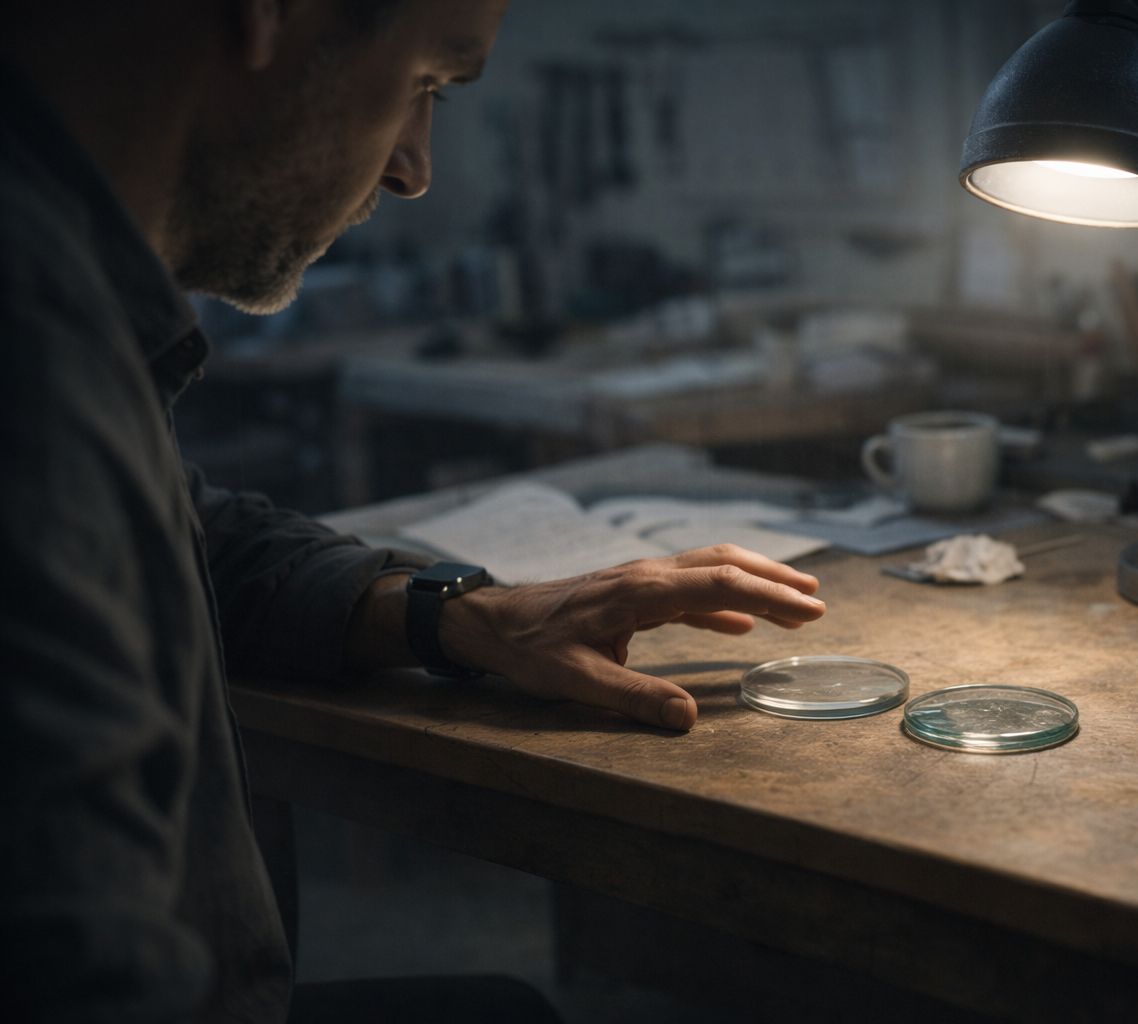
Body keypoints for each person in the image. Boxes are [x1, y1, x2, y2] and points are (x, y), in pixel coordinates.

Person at [0, 1, 826, 1020]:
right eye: (427, 82)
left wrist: (457, 613)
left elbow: (197, 535)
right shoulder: (32, 371)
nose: (414, 169)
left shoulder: (69, 299)